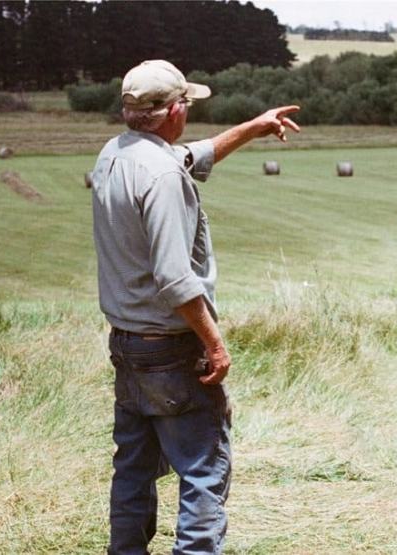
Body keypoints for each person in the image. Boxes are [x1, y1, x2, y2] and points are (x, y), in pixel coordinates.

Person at [91, 59, 299, 555]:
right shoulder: (161, 175)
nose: (189, 110)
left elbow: (193, 156)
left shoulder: (116, 154)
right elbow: (175, 277)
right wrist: (214, 343)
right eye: (186, 102)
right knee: (204, 471)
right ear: (172, 111)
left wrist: (253, 127)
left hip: (127, 343)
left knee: (134, 469)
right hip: (170, 348)